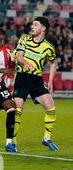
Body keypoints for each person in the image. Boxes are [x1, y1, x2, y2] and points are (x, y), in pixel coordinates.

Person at [12, 17, 59, 151]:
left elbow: (54, 63)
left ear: (43, 28)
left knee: (51, 108)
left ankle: (47, 138)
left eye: (36, 25)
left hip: (36, 80)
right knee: (18, 111)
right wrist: (25, 63)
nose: (32, 27)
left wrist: (50, 81)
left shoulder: (49, 47)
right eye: (32, 24)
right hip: (22, 78)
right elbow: (19, 57)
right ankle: (13, 142)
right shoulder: (24, 38)